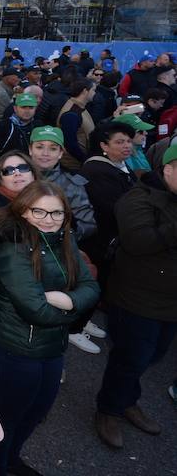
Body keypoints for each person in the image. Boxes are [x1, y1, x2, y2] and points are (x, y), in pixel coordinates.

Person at [0, 181, 100, 475]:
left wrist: (67, 300)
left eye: (57, 213)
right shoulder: (12, 246)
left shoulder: (65, 238)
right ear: (22, 211)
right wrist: (74, 310)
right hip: (16, 350)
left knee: (35, 413)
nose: (49, 220)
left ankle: (11, 460)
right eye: (40, 212)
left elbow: (92, 288)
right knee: (7, 418)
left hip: (52, 347)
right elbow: (37, 311)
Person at [94, 144, 177, 449]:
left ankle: (128, 399)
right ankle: (109, 409)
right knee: (130, 358)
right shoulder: (138, 198)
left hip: (170, 303)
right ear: (166, 168)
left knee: (152, 356)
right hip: (137, 299)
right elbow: (139, 241)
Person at [78, 121, 138, 282]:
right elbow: (114, 209)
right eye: (119, 142)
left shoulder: (118, 164)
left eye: (128, 141)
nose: (127, 146)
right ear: (104, 146)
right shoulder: (97, 171)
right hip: (104, 244)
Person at [0, 93, 38, 169]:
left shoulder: (38, 127)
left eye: (31, 107)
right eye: (23, 107)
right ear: (15, 108)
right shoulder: (3, 127)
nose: (27, 111)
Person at [57, 78, 96, 172]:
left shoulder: (78, 107)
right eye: (93, 90)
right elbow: (70, 144)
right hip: (74, 166)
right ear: (85, 91)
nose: (95, 93)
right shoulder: (71, 113)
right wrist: (85, 159)